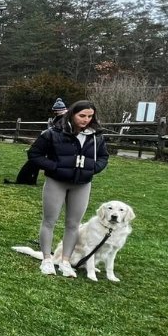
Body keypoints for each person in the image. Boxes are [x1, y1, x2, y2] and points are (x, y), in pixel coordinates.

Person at [26, 100, 109, 277]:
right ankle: (47, 259)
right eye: (82, 116)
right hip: (56, 182)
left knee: (73, 224)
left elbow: (103, 157)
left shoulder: (96, 137)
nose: (86, 119)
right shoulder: (53, 133)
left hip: (82, 184)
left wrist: (93, 168)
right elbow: (34, 154)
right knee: (49, 221)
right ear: (72, 114)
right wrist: (54, 167)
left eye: (90, 116)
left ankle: (65, 261)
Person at [5, 98, 68, 185]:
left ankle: (27, 180)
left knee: (35, 160)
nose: (55, 113)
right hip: (51, 142)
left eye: (56, 111)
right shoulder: (59, 118)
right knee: (35, 161)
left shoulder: (64, 119)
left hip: (55, 144)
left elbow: (59, 131)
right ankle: (30, 180)